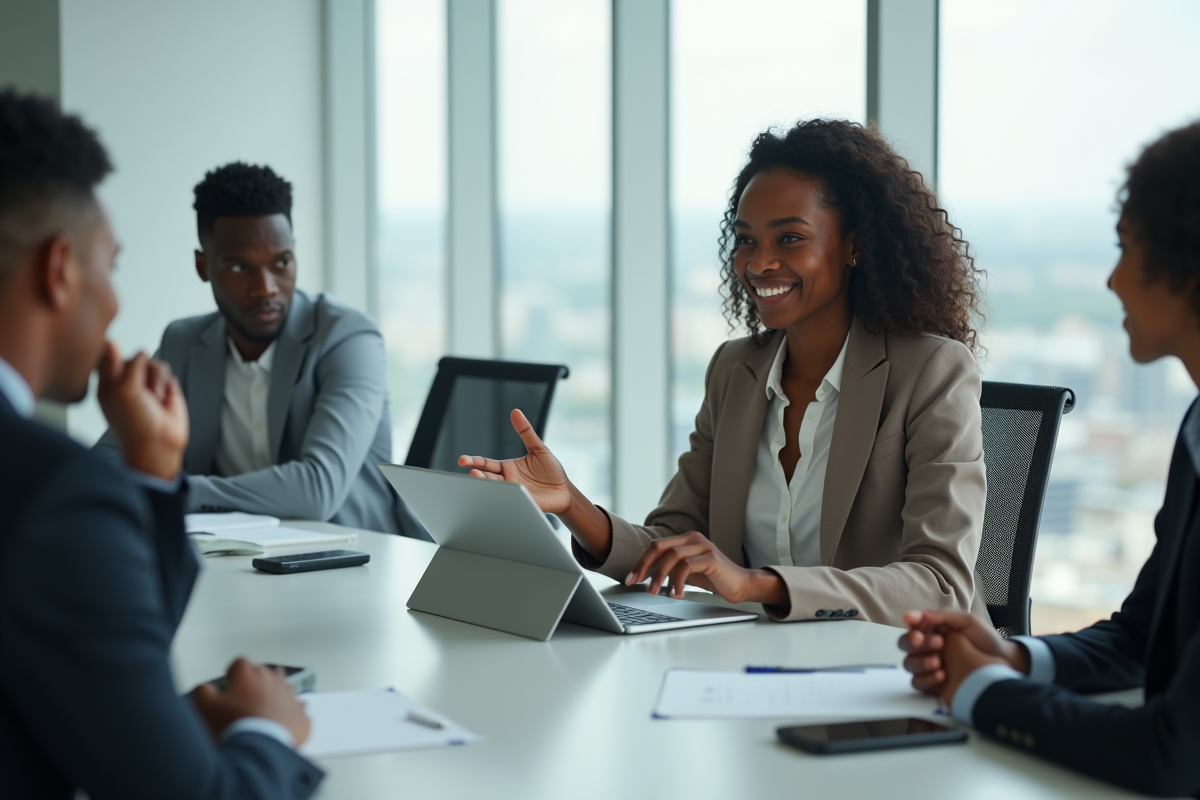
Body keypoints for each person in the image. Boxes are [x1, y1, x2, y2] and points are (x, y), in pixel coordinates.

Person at [460, 119, 988, 625]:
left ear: (854, 244)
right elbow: (670, 545)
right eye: (746, 240)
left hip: (905, 664)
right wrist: (570, 503)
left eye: (789, 238)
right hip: (767, 660)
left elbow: (939, 584)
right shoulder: (736, 370)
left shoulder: (930, 371)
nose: (757, 264)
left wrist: (756, 585)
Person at [0, 90, 323, 798]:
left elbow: (96, 652)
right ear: (60, 269)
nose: (116, 302)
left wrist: (152, 472)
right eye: (111, 265)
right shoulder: (54, 492)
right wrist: (267, 731)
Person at [899, 121, 1200, 797]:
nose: (1112, 280)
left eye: (1127, 249)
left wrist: (981, 691)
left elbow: (1173, 755)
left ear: (1187, 267)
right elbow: (1140, 637)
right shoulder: (1196, 429)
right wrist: (1012, 656)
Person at [96, 162, 424, 538]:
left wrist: (176, 488)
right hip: (236, 555)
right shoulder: (184, 343)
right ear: (203, 267)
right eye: (240, 267)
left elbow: (317, 490)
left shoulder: (348, 339)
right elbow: (107, 461)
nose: (266, 288)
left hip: (353, 555)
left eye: (281, 262)